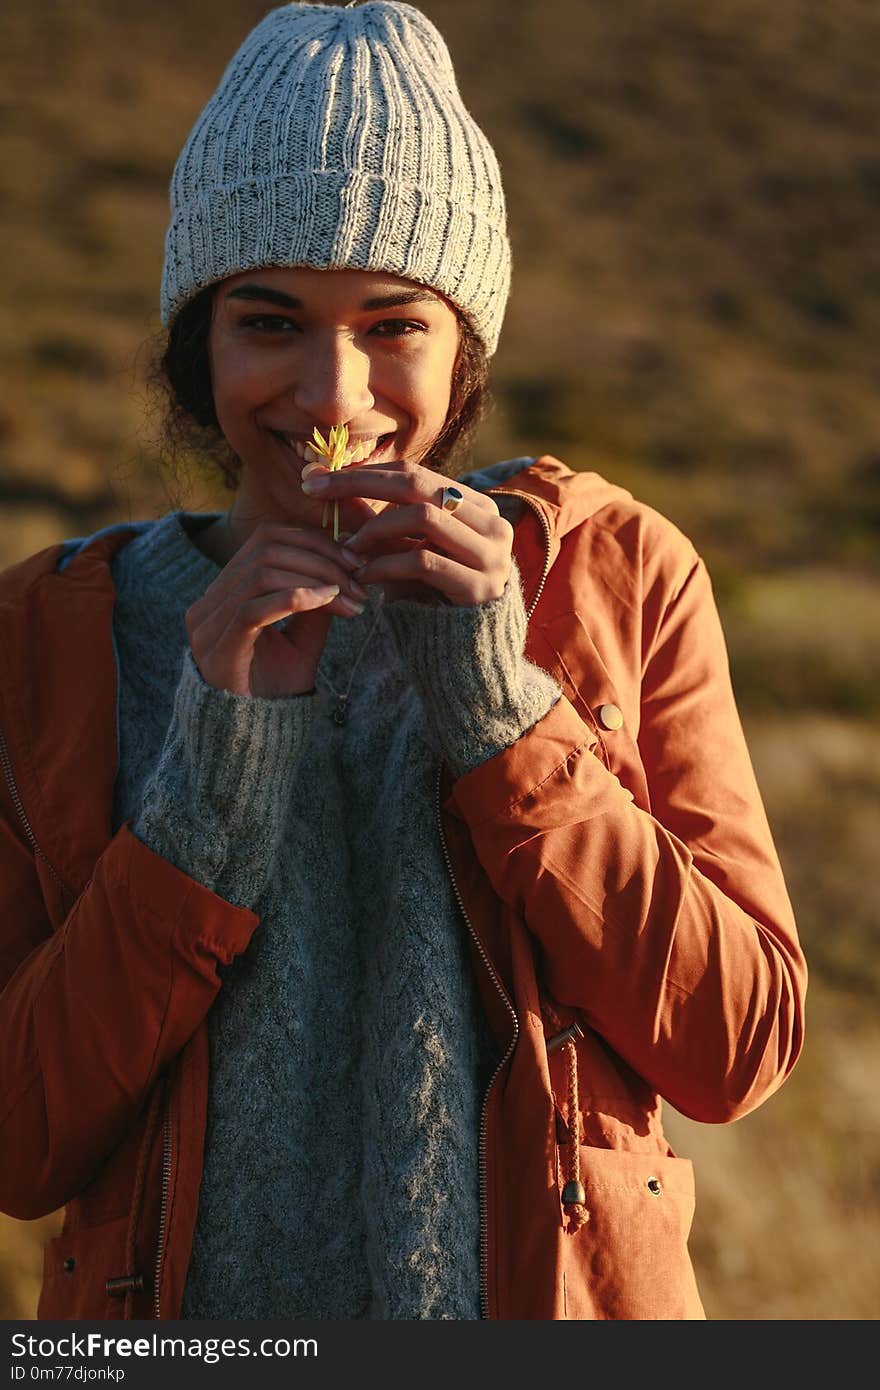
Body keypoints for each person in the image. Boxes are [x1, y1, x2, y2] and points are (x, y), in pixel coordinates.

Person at [0, 0, 807, 1322]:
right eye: (268, 322)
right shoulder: (48, 637)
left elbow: (740, 1044)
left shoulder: (613, 572)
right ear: (197, 343)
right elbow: (21, 1145)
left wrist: (504, 711)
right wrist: (210, 775)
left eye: (393, 325)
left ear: (464, 347)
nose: (331, 394)